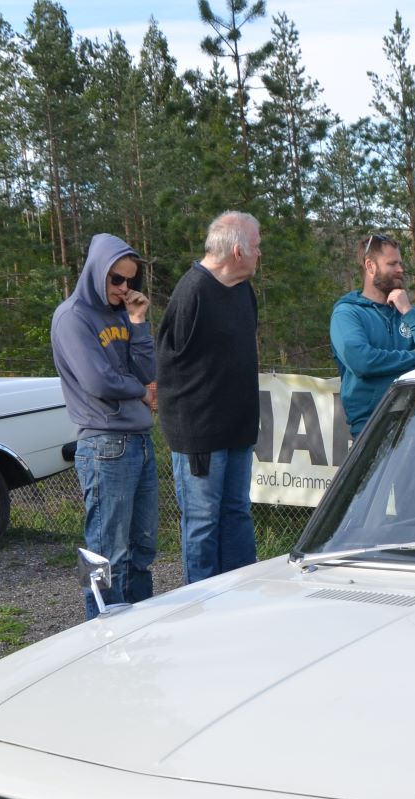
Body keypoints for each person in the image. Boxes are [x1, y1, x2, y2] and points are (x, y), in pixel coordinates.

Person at [51, 233, 157, 620]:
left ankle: (142, 626)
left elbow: (148, 370)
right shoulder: (72, 317)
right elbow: (98, 382)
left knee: (142, 550)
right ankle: (101, 632)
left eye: (131, 280)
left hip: (139, 441)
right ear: (97, 273)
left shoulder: (124, 314)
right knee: (105, 554)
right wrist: (140, 392)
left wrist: (138, 322)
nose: (125, 288)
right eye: (116, 279)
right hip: (104, 445)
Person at [157, 211, 262, 584]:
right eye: (256, 247)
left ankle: (240, 594)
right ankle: (200, 602)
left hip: (239, 430)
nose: (260, 254)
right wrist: (189, 429)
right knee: (203, 522)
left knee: (237, 513)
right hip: (201, 434)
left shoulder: (243, 290)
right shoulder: (192, 292)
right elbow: (168, 368)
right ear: (237, 251)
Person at [330, 233, 415, 436]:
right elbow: (362, 361)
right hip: (374, 431)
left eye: (400, 263)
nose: (400, 269)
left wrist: (408, 311)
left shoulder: (409, 312)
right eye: (392, 264)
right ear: (370, 266)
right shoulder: (347, 314)